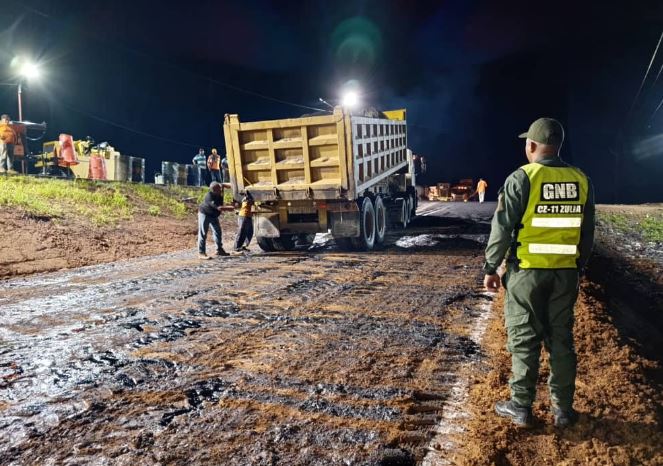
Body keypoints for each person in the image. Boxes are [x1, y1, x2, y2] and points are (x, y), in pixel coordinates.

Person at [483, 118, 595, 428]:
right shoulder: (581, 179)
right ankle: (563, 410)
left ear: (531, 146)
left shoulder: (523, 178)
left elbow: (502, 227)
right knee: (561, 339)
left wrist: (491, 267)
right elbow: (587, 233)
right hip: (565, 275)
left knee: (524, 338)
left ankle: (520, 406)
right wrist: (577, 267)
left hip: (528, 274)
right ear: (558, 147)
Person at [198, 181, 234, 259]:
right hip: (205, 214)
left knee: (217, 231)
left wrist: (230, 185)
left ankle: (219, 250)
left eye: (220, 188)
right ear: (214, 189)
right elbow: (220, 208)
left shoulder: (219, 193)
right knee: (203, 233)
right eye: (218, 188)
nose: (221, 189)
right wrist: (232, 207)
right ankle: (201, 253)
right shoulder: (209, 196)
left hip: (213, 215)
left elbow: (223, 185)